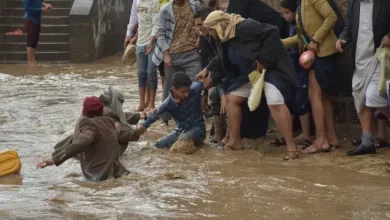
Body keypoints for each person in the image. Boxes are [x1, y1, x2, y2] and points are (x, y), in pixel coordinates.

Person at [199, 11, 298, 159]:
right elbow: (221, 61)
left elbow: (272, 32)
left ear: (219, 25)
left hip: (271, 69)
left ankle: (292, 148)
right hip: (250, 74)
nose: (210, 34)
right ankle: (235, 141)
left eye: (211, 30)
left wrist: (263, 60)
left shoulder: (244, 26)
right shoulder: (223, 38)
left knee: (274, 100)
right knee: (231, 99)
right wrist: (210, 75)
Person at [283, 0, 340, 154]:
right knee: (322, 97)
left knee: (314, 95)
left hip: (323, 52)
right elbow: (302, 36)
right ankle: (331, 137)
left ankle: (321, 141)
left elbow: (331, 16)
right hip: (317, 52)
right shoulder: (301, 3)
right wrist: (282, 43)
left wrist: (315, 40)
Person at [337, 0, 390, 156]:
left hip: (380, 57)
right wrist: (342, 38)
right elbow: (349, 26)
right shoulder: (354, 2)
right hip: (360, 58)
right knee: (360, 97)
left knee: (372, 96)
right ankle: (367, 141)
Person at [37, 97, 130, 182]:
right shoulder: (110, 121)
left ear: (84, 112)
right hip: (118, 170)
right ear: (102, 111)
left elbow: (84, 141)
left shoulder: (87, 123)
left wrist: (55, 159)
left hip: (99, 175)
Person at [52, 86, 143, 157]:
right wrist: (138, 131)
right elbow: (122, 133)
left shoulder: (94, 108)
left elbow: (119, 116)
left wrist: (139, 115)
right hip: (92, 156)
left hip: (78, 149)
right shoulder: (108, 115)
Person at [151, 0, 201, 123]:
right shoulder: (165, 10)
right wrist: (166, 55)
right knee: (170, 88)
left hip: (192, 53)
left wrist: (199, 40)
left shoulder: (195, 5)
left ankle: (193, 116)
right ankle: (165, 118)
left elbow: (202, 24)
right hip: (173, 55)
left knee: (196, 86)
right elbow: (161, 34)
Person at [138, 72, 206, 149]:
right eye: (183, 92)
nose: (186, 94)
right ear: (174, 89)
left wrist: (206, 70)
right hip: (180, 131)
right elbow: (154, 115)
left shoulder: (195, 88)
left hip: (198, 129)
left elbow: (212, 79)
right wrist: (141, 128)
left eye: (188, 90)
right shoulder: (168, 103)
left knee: (180, 144)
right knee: (158, 145)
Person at [280, 0, 311, 147]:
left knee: (301, 101)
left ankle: (306, 136)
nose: (284, 16)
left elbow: (298, 41)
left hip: (301, 68)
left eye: (286, 13)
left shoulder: (300, 24)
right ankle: (289, 134)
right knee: (290, 101)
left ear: (294, 12)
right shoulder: (291, 25)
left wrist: (281, 43)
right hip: (292, 68)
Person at [125, 0, 160, 112]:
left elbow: (156, 24)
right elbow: (139, 23)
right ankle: (141, 104)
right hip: (140, 42)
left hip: (152, 42)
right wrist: (133, 37)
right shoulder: (138, 2)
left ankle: (151, 104)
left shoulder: (155, 2)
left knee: (151, 72)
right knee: (141, 73)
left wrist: (151, 40)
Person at [23, 0, 52, 65]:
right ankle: (29, 61)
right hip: (30, 19)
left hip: (37, 20)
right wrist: (40, 9)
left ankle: (33, 60)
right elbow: (27, 8)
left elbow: (39, 2)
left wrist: (45, 5)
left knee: (34, 41)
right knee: (30, 41)